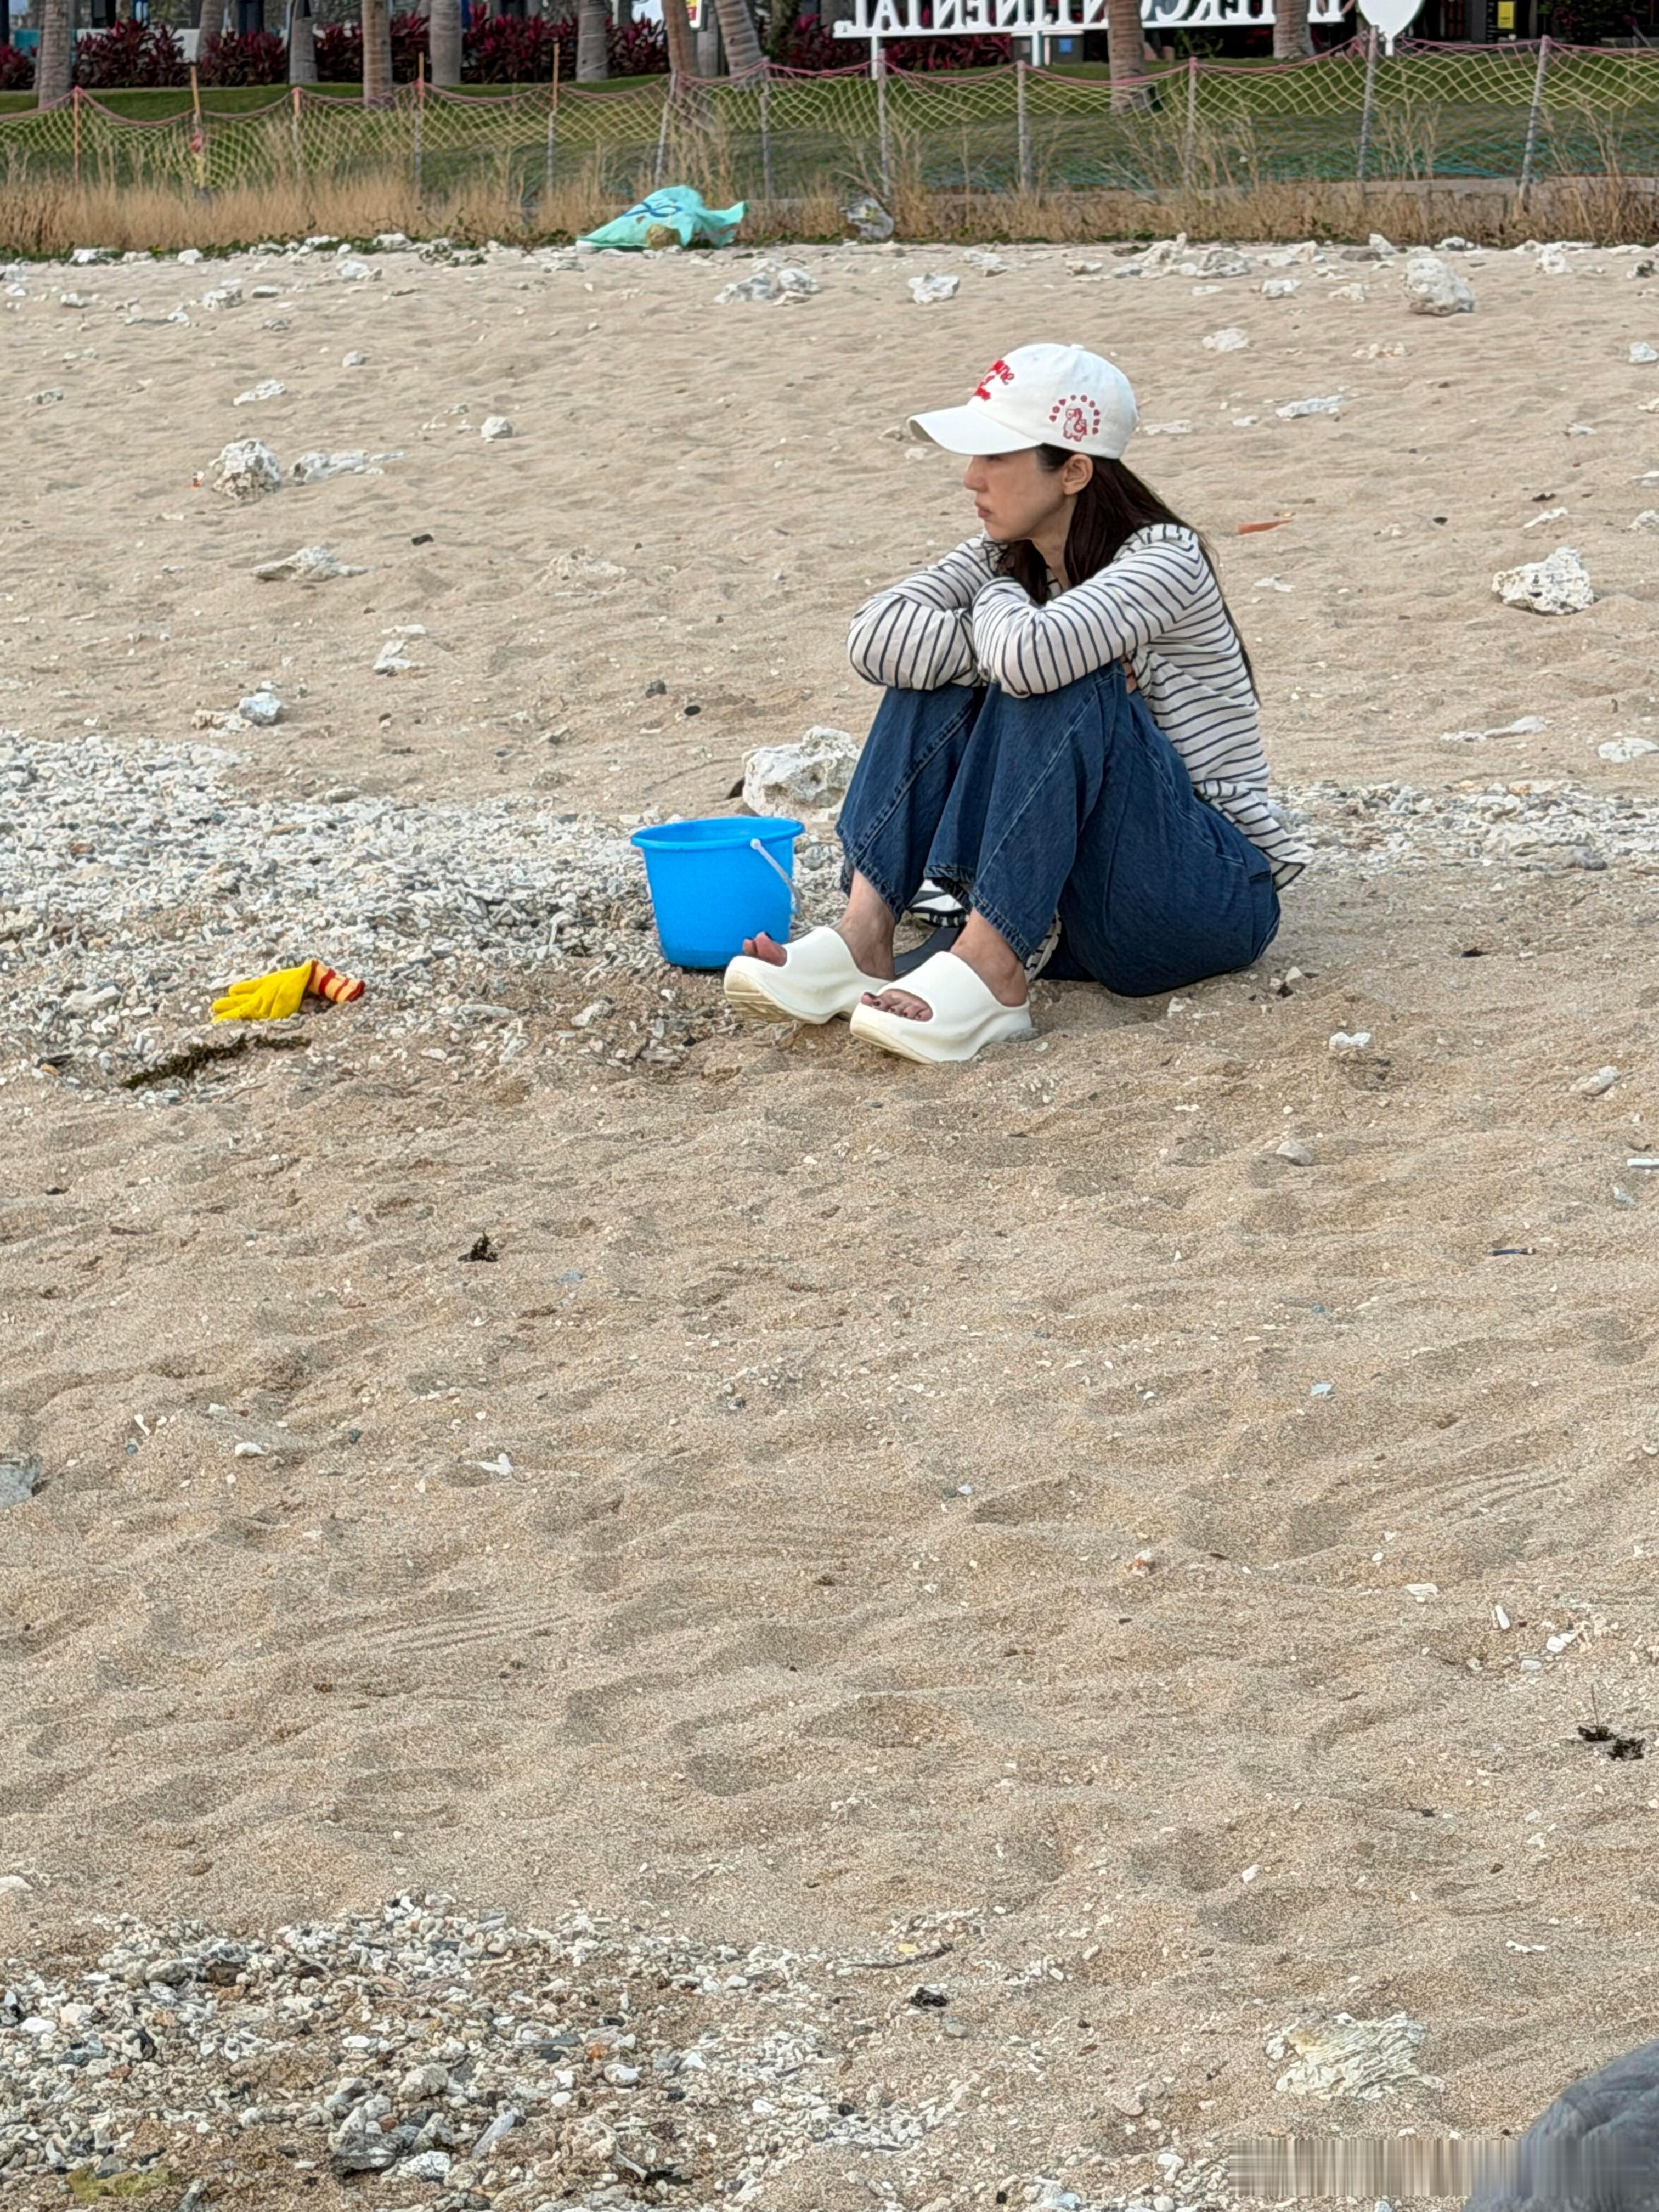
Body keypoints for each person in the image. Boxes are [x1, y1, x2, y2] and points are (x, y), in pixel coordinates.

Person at [722, 342, 1311, 1065]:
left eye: (996, 457)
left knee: (1057, 669)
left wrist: (1006, 600)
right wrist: (1005, 618)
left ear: (1074, 471)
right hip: (1078, 907)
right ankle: (864, 935)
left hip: (1199, 894)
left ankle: (992, 968)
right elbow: (872, 637)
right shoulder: (1004, 549)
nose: (972, 479)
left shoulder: (1165, 560)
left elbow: (1029, 658)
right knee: (952, 668)